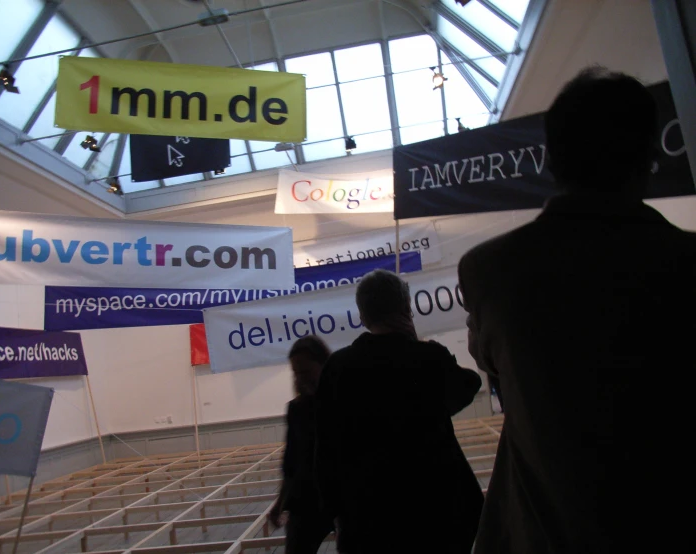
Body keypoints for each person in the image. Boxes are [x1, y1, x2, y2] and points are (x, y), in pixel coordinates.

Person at [459, 67, 696, 553]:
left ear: (552, 159)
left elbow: (495, 368)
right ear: (651, 154)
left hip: (546, 533)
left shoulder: (488, 270)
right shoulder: (687, 263)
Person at [315, 269, 483, 554]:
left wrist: (335, 513)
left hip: (367, 517)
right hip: (436, 511)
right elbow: (469, 385)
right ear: (406, 308)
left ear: (362, 315)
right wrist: (418, 346)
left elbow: (326, 451)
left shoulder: (337, 367)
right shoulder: (429, 358)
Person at [269, 335, 334, 554]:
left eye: (306, 372)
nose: (300, 379)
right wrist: (280, 503)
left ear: (324, 365)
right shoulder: (296, 410)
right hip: (305, 501)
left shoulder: (342, 402)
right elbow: (290, 463)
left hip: (339, 496)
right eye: (296, 373)